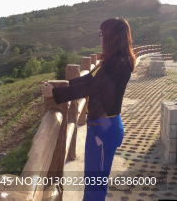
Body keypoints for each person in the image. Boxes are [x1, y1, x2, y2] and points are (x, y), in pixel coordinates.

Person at [41, 17, 135, 201]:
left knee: (95, 188)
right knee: (94, 184)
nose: (99, 37)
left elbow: (91, 87)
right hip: (101, 128)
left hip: (103, 130)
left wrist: (57, 95)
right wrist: (59, 87)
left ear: (110, 36)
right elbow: (87, 79)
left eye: (101, 33)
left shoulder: (118, 63)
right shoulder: (112, 61)